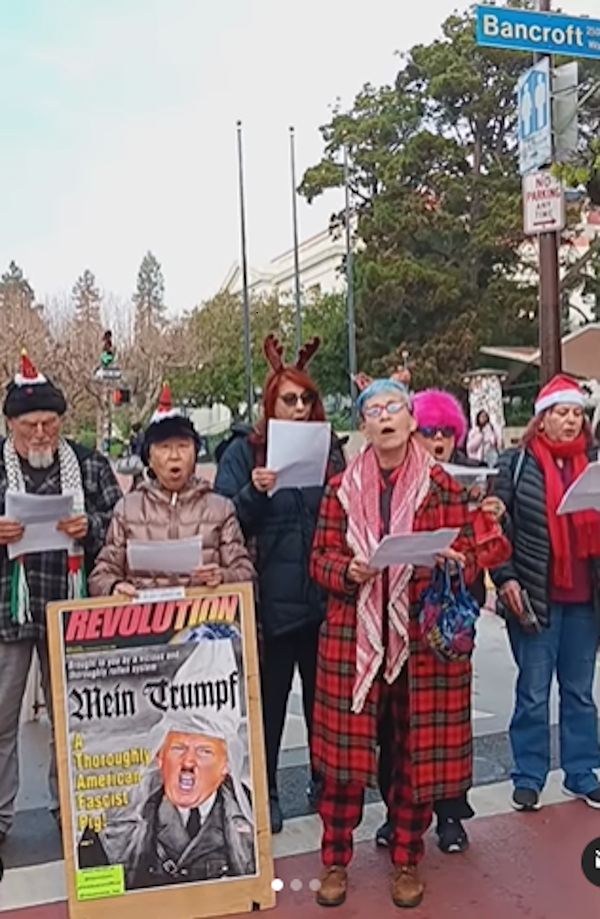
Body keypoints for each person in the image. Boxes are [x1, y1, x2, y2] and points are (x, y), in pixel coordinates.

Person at [309, 379, 511, 909]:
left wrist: (458, 557)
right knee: (345, 762)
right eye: (373, 410)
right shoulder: (339, 488)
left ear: (411, 419)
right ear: (364, 426)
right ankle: (335, 858)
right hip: (354, 638)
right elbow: (319, 559)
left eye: (393, 406)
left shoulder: (444, 487)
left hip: (420, 640)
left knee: (413, 754)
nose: (385, 417)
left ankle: (406, 858)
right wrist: (347, 571)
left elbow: (469, 552)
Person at [214, 335, 346, 834]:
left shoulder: (330, 450)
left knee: (324, 704)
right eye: (288, 399)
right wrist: (255, 490)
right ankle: (264, 793)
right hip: (269, 602)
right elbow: (224, 521)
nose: (298, 407)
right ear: (270, 403)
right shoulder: (242, 453)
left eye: (305, 398)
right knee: (266, 708)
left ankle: (325, 783)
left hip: (323, 600)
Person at [0, 351, 121, 842]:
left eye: (50, 423)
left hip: (73, 615)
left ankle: (71, 811)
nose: (42, 435)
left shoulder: (89, 466)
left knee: (74, 720)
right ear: (10, 424)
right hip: (7, 613)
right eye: (30, 425)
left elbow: (120, 526)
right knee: (1, 724)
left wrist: (88, 526)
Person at [375, 387, 496, 854]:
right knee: (396, 728)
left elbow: (476, 557)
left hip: (445, 620)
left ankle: (451, 817)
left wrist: (486, 524)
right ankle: (398, 813)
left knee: (448, 725)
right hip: (394, 619)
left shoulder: (468, 481)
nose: (440, 440)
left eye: (447, 431)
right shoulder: (389, 482)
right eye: (430, 431)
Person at [491, 374, 600, 812]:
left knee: (579, 692)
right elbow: (493, 528)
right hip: (535, 597)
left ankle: (581, 771)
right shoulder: (514, 464)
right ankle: (529, 775)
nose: (571, 421)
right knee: (533, 693)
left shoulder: (592, 464)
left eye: (577, 413)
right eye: (562, 413)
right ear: (542, 419)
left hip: (585, 601)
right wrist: (505, 578)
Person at [79, 637, 256, 887]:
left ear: (226, 765)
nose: (188, 762)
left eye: (205, 751)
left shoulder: (252, 816)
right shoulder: (112, 824)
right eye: (179, 748)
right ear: (159, 756)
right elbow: (95, 889)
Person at [89, 383, 254, 596]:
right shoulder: (127, 509)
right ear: (149, 457)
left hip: (203, 619)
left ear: (195, 454)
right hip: (145, 622)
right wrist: (113, 587)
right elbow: (100, 575)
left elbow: (245, 571)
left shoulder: (220, 508)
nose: (174, 456)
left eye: (183, 447)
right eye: (164, 448)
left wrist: (223, 576)